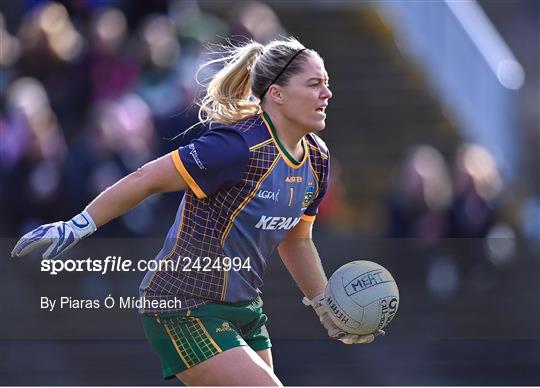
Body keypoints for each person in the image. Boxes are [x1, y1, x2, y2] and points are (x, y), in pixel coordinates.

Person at [11, 37, 383, 386]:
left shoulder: (316, 159)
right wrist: (77, 225)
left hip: (245, 308)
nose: (327, 93)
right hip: (182, 305)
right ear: (277, 94)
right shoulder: (236, 147)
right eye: (314, 83)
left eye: (327, 82)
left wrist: (324, 306)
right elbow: (146, 178)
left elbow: (297, 241)